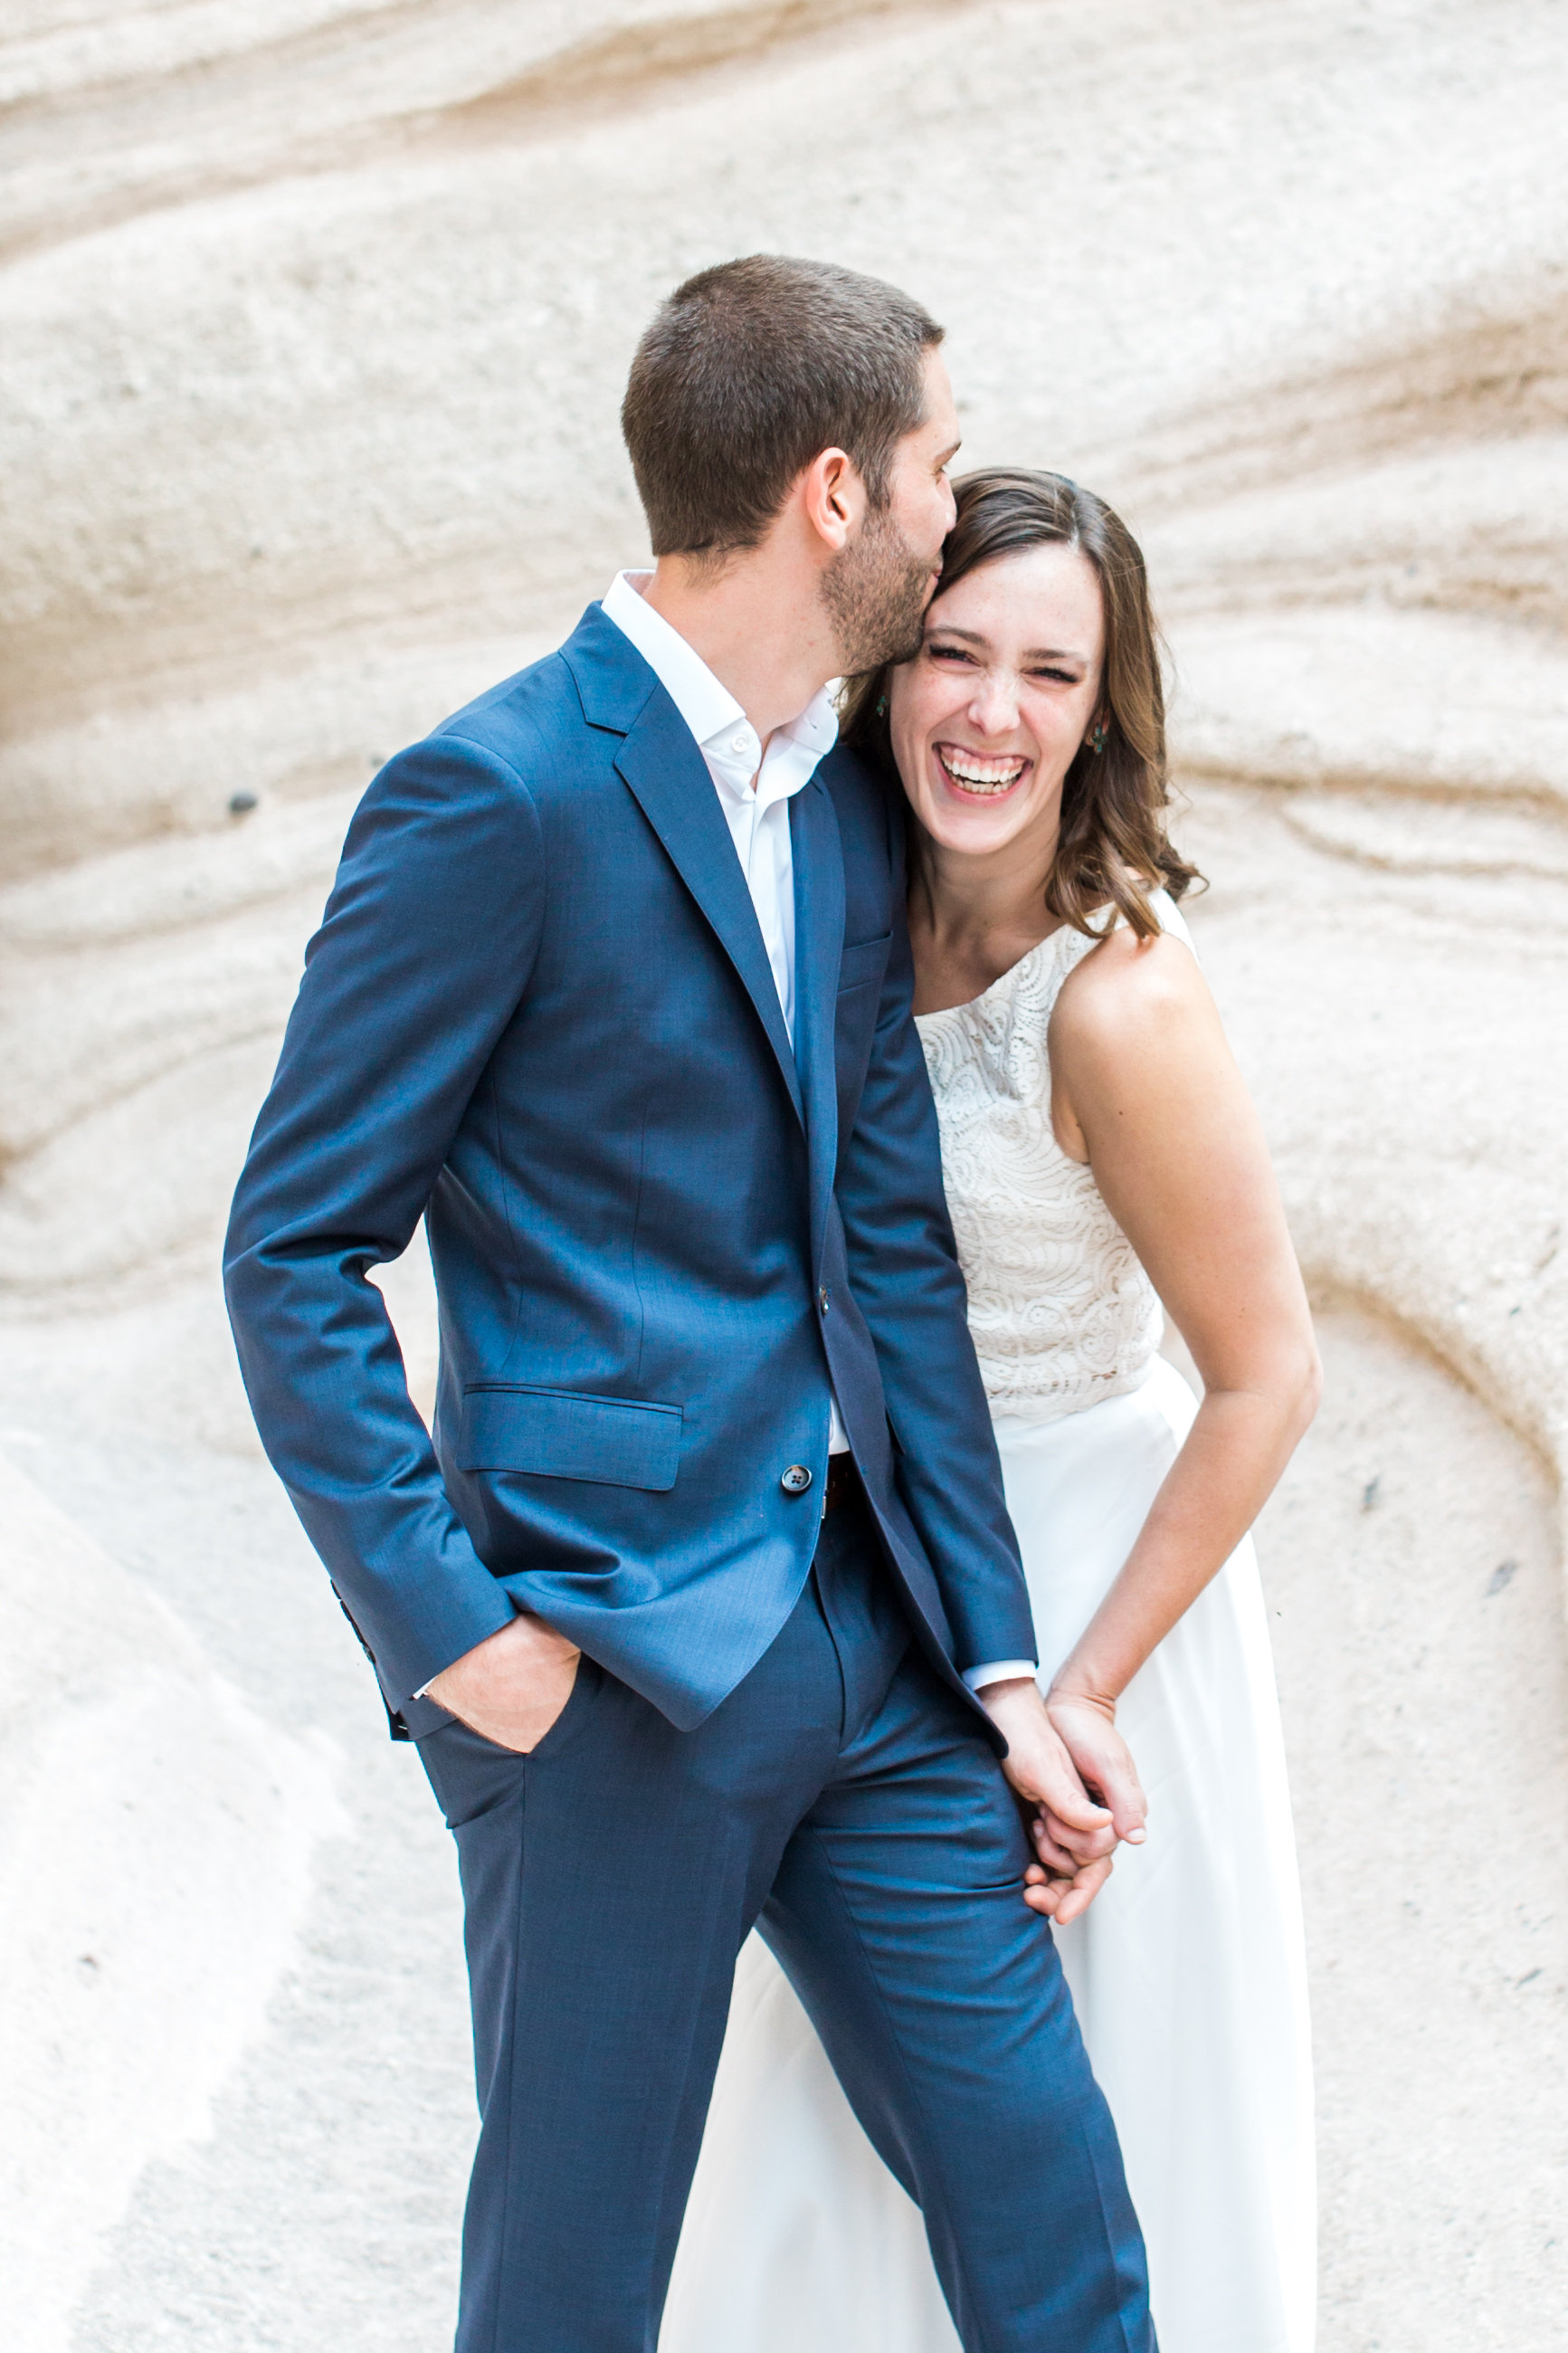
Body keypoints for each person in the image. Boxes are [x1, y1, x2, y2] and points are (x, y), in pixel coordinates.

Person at [223, 270, 1157, 2353]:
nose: (949, 506)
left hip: (877, 1647)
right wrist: (455, 1635)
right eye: (931, 463)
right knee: (571, 2297)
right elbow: (291, 1247)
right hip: (610, 1674)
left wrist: (994, 1649)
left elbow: (882, 1234)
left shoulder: (831, 787)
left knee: (1057, 2218)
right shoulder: (497, 797)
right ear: (834, 493)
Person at [663, 469, 1319, 2353]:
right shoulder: (828, 909)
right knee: (807, 2143)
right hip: (860, 1587)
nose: (992, 712)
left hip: (1096, 1600)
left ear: (1103, 710)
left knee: (1087, 2140)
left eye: (1051, 670)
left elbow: (1268, 1374)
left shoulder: (1116, 1004)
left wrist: (1091, 1682)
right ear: (888, 663)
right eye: (953, 650)